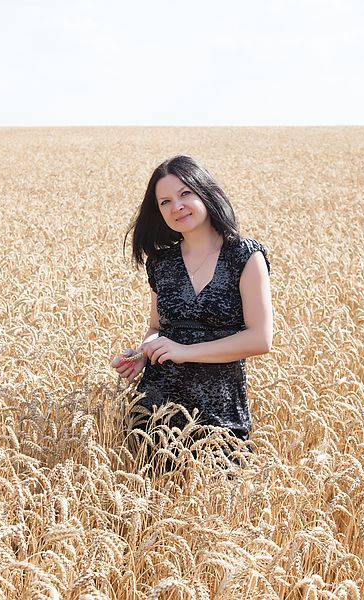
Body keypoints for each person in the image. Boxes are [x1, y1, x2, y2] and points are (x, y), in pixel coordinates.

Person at [111, 155, 272, 456]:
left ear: (205, 192)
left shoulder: (245, 256)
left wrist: (185, 352)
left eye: (185, 194)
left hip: (221, 415)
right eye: (165, 202)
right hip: (155, 414)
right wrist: (145, 353)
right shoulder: (161, 263)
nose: (177, 207)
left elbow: (260, 338)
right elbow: (156, 328)